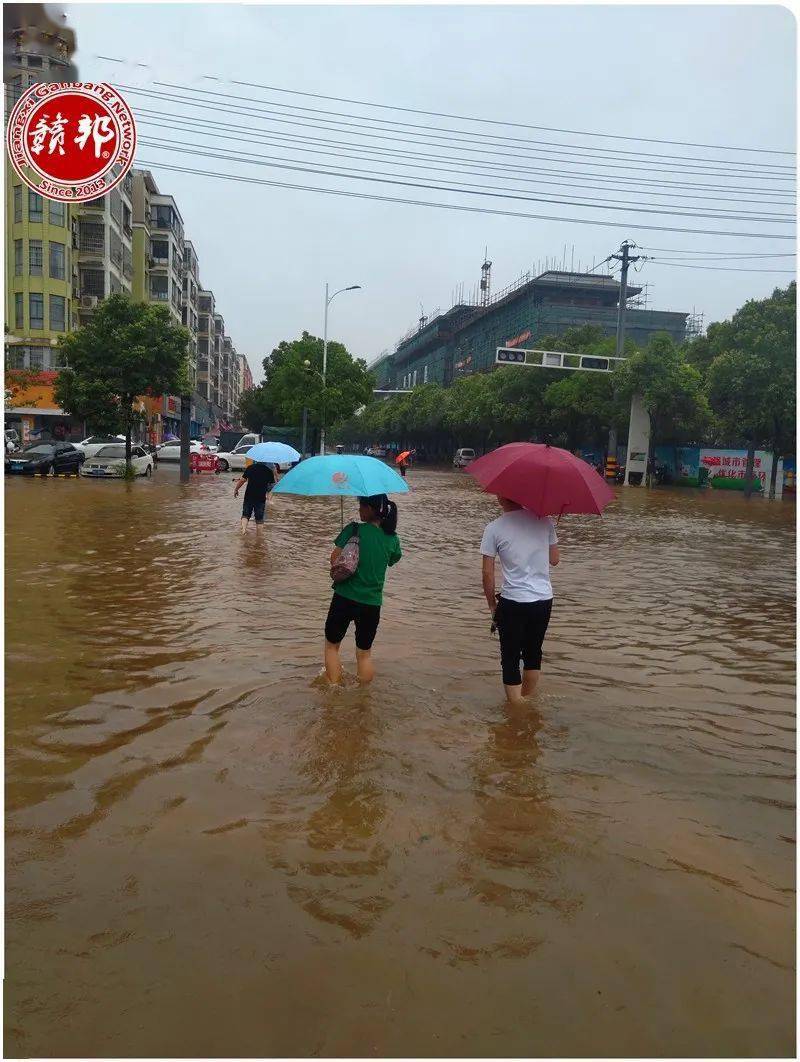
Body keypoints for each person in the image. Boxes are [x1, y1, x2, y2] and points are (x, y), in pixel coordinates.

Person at [480, 497, 560, 704]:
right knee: (533, 653)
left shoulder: (494, 528)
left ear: (500, 498)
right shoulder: (545, 521)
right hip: (543, 599)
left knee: (510, 657)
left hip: (513, 600)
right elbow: (554, 560)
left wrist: (491, 605)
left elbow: (487, 574)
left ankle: (517, 711)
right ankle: (526, 704)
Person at [324, 494, 402, 685]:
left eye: (361, 505)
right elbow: (393, 560)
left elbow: (334, 560)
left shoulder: (353, 529)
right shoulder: (392, 539)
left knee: (332, 647)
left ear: (369, 509)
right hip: (372, 603)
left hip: (344, 597)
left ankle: (334, 691)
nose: (359, 509)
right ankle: (363, 700)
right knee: (364, 653)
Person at [233, 461, 280, 533]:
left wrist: (236, 489)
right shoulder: (268, 471)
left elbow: (242, 480)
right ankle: (259, 535)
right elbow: (271, 487)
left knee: (245, 514)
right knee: (259, 519)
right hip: (261, 497)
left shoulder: (250, 468)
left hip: (249, 495)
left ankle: (243, 530)